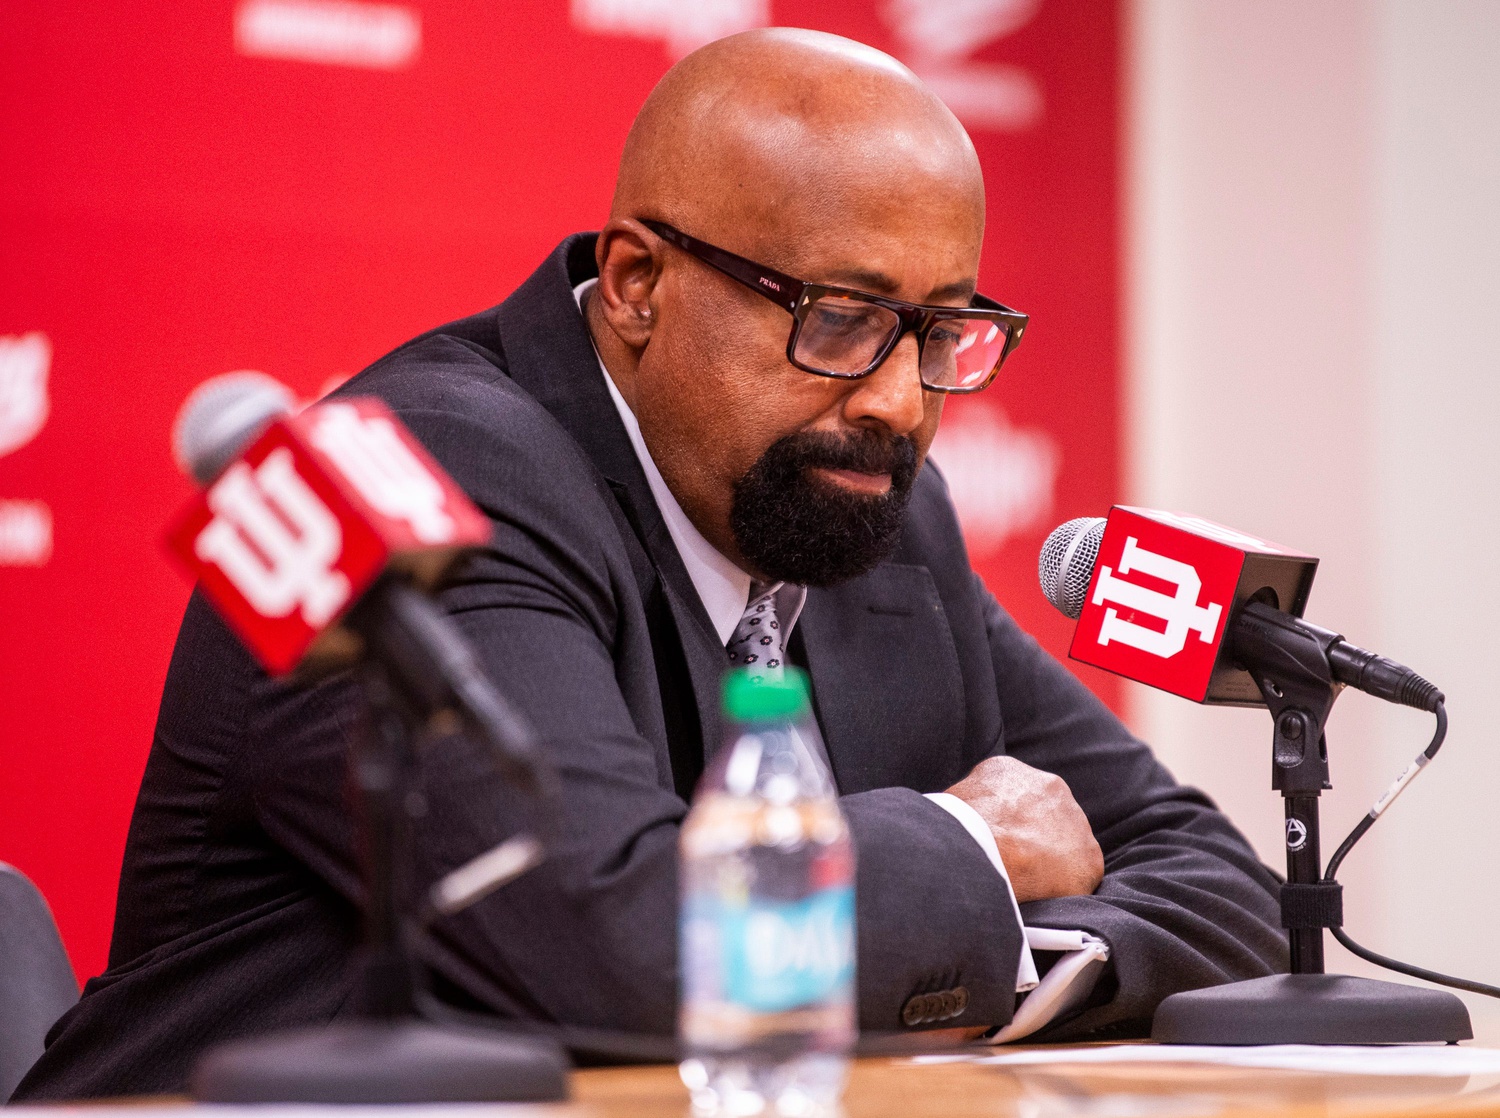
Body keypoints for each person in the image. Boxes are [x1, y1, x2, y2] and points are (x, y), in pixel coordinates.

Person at [13, 28, 1285, 1101]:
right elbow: (622, 944)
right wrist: (969, 853)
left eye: (943, 329)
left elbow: (1223, 884)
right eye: (841, 319)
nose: (902, 399)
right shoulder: (436, 473)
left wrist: (1001, 964)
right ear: (636, 283)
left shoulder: (865, 511)